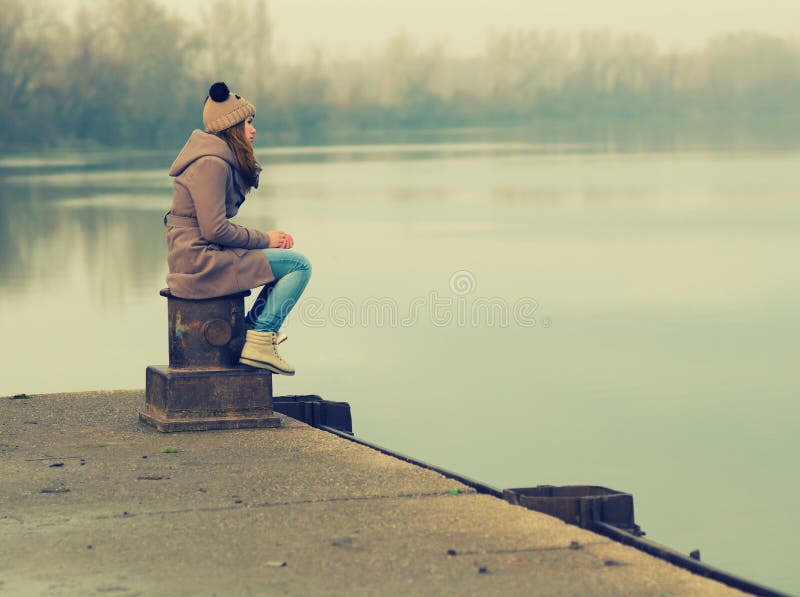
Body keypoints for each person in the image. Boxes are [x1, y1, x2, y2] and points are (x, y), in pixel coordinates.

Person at [164, 82, 311, 375]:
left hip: (201, 254)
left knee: (286, 265)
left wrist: (260, 242)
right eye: (247, 123)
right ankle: (260, 337)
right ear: (232, 126)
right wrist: (265, 239)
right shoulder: (211, 163)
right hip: (200, 259)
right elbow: (215, 230)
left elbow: (211, 227)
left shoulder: (215, 159)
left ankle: (251, 335)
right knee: (298, 266)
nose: (253, 130)